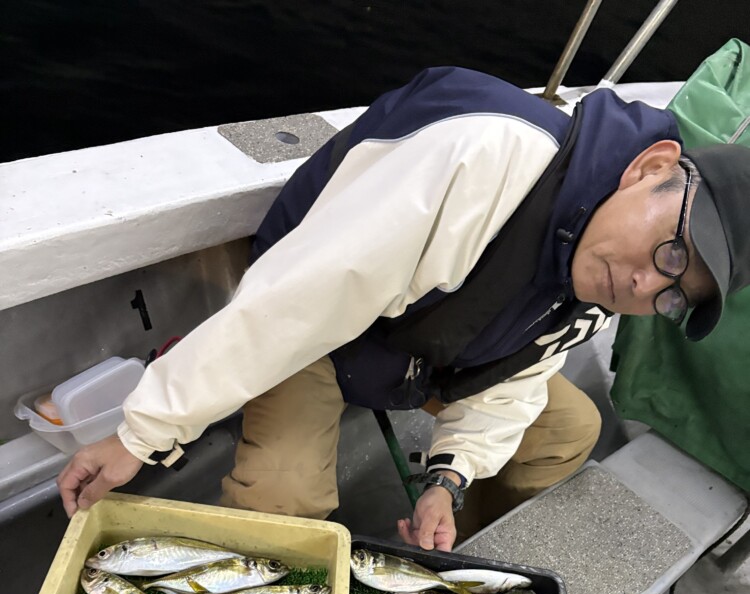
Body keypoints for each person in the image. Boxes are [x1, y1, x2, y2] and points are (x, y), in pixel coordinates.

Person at [57, 66, 750, 551]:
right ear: (651, 167)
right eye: (669, 252)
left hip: (428, 360)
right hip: (319, 336)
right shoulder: (483, 157)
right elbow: (294, 307)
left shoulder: (604, 278)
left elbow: (519, 378)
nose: (642, 286)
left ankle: (458, 572)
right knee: (284, 505)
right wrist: (136, 437)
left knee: (568, 428)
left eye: (671, 295)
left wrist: (447, 478)